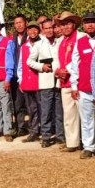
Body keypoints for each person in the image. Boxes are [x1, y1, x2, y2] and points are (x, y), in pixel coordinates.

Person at [73, 13, 95, 159]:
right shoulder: (80, 42)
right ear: (83, 26)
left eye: (92, 22)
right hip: (84, 87)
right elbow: (74, 65)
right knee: (86, 119)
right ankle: (88, 146)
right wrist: (74, 85)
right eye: (87, 23)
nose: (90, 25)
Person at [30, 19, 62, 148]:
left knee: (59, 111)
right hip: (45, 81)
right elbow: (29, 61)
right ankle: (46, 136)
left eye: (51, 28)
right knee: (46, 111)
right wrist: (41, 66)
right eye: (46, 28)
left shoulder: (59, 42)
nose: (49, 30)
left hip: (59, 80)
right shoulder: (38, 44)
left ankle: (60, 135)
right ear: (42, 30)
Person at [56, 12, 82, 152]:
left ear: (74, 24)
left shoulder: (81, 37)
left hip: (79, 80)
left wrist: (67, 69)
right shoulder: (60, 40)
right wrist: (57, 71)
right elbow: (55, 59)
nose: (65, 26)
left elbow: (80, 58)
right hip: (64, 81)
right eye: (63, 24)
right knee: (69, 113)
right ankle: (72, 142)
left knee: (84, 113)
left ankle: (89, 142)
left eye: (68, 23)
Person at [18, 23, 44, 143]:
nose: (32, 31)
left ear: (38, 31)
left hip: (40, 80)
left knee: (42, 108)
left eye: (35, 29)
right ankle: (33, 132)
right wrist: (20, 80)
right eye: (30, 29)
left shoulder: (43, 44)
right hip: (27, 82)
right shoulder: (24, 46)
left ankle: (44, 132)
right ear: (27, 31)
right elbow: (20, 65)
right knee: (31, 109)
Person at [6, 15, 30, 135]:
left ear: (26, 23)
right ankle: (20, 127)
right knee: (18, 103)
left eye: (21, 22)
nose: (19, 25)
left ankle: (34, 128)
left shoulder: (31, 37)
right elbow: (9, 58)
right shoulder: (12, 40)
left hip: (30, 74)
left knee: (31, 103)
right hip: (16, 75)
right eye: (16, 23)